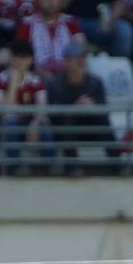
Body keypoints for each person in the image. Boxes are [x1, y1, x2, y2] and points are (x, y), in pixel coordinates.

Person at [0, 40, 52, 171]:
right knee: (10, 123)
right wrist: (13, 82)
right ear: (10, 58)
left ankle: (49, 167)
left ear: (30, 60)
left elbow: (42, 106)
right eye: (16, 56)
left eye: (24, 57)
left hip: (28, 125)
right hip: (3, 127)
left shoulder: (36, 80)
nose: (19, 61)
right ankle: (15, 167)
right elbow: (5, 111)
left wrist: (35, 123)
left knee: (44, 125)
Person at [45, 40, 109, 170]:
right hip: (64, 132)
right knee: (68, 122)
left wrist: (92, 107)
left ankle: (118, 165)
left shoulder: (96, 82)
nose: (82, 61)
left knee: (104, 122)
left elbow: (104, 110)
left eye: (84, 57)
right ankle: (73, 167)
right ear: (67, 61)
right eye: (77, 58)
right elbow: (53, 115)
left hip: (90, 127)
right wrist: (75, 107)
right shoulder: (54, 84)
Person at [16, 0, 86, 77]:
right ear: (38, 1)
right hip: (37, 74)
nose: (51, 1)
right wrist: (39, 71)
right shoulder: (27, 24)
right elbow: (21, 54)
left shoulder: (70, 22)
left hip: (67, 74)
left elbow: (80, 49)